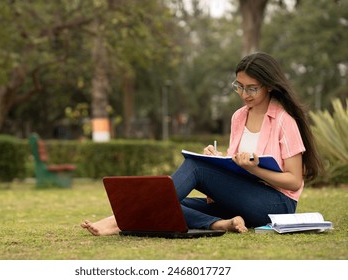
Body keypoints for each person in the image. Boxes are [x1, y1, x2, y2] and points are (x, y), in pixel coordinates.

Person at [81, 52, 323, 235]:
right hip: (243, 198)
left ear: (269, 86)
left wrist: (254, 168)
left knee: (193, 170)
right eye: (239, 87)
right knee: (173, 202)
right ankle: (222, 224)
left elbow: (294, 181)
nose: (244, 94)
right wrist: (219, 160)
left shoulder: (283, 120)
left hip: (276, 204)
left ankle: (118, 221)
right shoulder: (239, 117)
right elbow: (237, 163)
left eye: (252, 88)